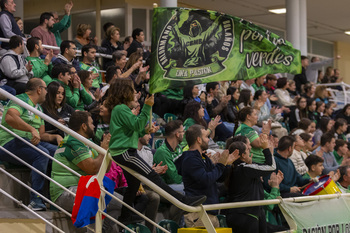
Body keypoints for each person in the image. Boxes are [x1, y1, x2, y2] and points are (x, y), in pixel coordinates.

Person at [105, 78, 206, 225]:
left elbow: (134, 129)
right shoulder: (121, 109)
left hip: (124, 151)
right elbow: (137, 124)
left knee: (133, 186)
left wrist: (146, 129)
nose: (135, 93)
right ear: (124, 92)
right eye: (132, 90)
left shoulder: (121, 109)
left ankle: (124, 219)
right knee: (152, 176)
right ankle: (182, 200)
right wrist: (147, 106)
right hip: (124, 152)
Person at [50, 111, 123, 232]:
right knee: (96, 199)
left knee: (121, 203)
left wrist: (108, 151)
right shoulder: (71, 141)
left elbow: (105, 169)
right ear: (84, 126)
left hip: (83, 188)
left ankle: (102, 230)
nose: (94, 126)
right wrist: (102, 151)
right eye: (92, 123)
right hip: (64, 191)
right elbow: (92, 168)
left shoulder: (86, 143)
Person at [0, 78, 61, 210]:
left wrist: (55, 136)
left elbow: (42, 134)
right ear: (39, 90)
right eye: (45, 89)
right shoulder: (21, 99)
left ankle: (53, 198)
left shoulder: (38, 108)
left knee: (59, 154)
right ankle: (36, 200)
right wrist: (31, 129)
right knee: (42, 154)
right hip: (9, 141)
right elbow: (9, 117)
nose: (47, 93)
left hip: (29, 142)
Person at [178, 124, 238, 227]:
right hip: (198, 214)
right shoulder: (190, 160)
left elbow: (219, 178)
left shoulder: (202, 158)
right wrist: (220, 165)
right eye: (206, 137)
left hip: (208, 212)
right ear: (199, 140)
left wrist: (226, 165)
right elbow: (206, 180)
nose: (208, 140)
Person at [224, 136, 275, 233]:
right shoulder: (245, 169)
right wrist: (267, 149)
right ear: (243, 155)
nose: (250, 149)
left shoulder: (233, 168)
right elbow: (271, 166)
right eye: (248, 149)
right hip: (246, 215)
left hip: (236, 214)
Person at [154, 120, 185, 192]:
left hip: (179, 182)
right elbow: (173, 179)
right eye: (182, 131)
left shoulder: (179, 147)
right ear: (177, 134)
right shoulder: (163, 152)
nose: (184, 133)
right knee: (190, 189)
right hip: (165, 187)